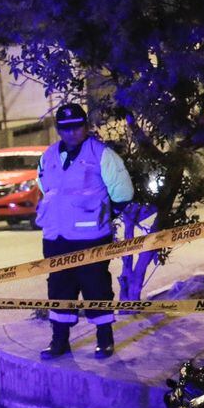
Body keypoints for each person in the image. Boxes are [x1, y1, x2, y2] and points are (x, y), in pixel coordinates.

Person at [35, 103, 135, 360]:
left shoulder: (101, 154)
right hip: (55, 237)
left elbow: (123, 193)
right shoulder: (48, 156)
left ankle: (104, 339)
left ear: (86, 126)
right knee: (58, 289)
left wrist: (105, 214)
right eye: (65, 128)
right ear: (58, 129)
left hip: (90, 237)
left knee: (96, 287)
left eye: (77, 126)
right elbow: (47, 189)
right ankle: (59, 341)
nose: (72, 133)